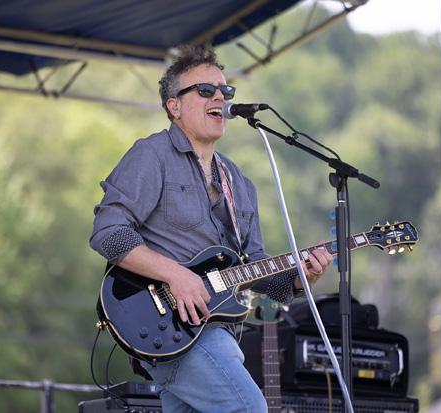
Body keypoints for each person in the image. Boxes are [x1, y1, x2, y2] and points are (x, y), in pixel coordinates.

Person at [90, 44, 332, 413]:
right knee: (249, 408)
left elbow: (255, 269)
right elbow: (108, 232)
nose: (220, 97)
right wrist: (175, 275)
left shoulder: (239, 181)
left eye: (225, 90)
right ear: (175, 106)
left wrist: (300, 280)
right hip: (171, 327)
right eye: (205, 90)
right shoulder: (152, 155)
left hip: (218, 330)